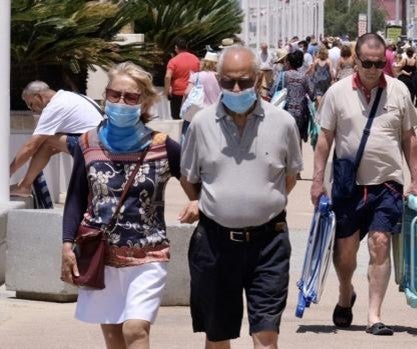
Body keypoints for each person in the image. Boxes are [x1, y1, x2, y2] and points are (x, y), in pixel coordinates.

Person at [178, 46, 303, 348]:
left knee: (266, 335)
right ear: (217, 78)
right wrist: (213, 204)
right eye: (229, 82)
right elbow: (188, 177)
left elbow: (290, 177)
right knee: (218, 335)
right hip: (216, 243)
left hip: (269, 244)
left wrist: (259, 202)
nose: (236, 89)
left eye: (245, 82)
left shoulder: (283, 123)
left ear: (258, 78)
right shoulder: (201, 123)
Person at [61, 61, 185, 348]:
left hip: (149, 255)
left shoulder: (162, 145)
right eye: (114, 95)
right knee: (114, 336)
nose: (120, 102)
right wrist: (67, 244)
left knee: (135, 329)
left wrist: (198, 202)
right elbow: (77, 195)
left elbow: (196, 182)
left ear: (144, 103)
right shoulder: (87, 142)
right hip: (100, 253)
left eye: (130, 97)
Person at [311, 33, 417, 336]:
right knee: (345, 253)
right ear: (356, 60)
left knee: (380, 243)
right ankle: (346, 293)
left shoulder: (399, 91)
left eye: (379, 62)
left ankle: (375, 315)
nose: (373, 68)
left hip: (387, 184)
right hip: (348, 185)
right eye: (367, 62)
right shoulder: (337, 92)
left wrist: (416, 181)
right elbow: (324, 140)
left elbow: (409, 139)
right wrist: (318, 181)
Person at [10, 81, 103, 197]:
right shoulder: (71, 97)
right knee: (47, 144)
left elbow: (30, 146)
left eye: (31, 104)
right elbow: (59, 144)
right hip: (101, 142)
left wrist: (8, 172)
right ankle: (24, 184)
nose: (31, 110)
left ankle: (24, 187)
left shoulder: (54, 107)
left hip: (94, 146)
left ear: (38, 96)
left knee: (46, 142)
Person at [271, 50, 314, 154]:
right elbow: (312, 93)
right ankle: (297, 165)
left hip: (285, 113)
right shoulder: (304, 77)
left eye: (286, 62)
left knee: (284, 139)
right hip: (300, 114)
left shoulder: (282, 76)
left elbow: (272, 92)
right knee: (297, 139)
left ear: (289, 63)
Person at [181, 51, 222, 135]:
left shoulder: (196, 76)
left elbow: (187, 92)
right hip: (214, 110)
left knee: (187, 132)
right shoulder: (220, 77)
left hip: (195, 109)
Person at [165, 37, 200, 119]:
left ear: (176, 48)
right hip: (192, 93)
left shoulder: (173, 61)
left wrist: (167, 90)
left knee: (177, 118)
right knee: (190, 118)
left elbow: (167, 76)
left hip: (177, 93)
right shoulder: (195, 59)